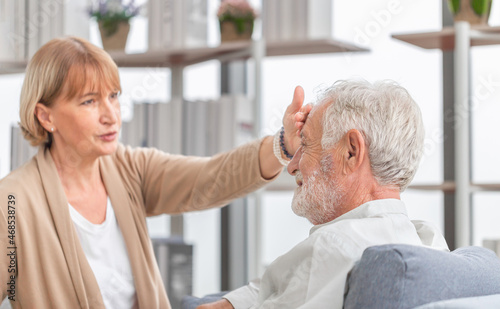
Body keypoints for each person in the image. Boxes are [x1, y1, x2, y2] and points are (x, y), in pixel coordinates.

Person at [0, 36, 309, 308]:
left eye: (114, 96)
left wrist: (282, 144)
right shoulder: (12, 203)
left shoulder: (128, 167)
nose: (111, 115)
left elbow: (209, 179)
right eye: (89, 101)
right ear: (45, 116)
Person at [198, 80, 449, 309]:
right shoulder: (429, 242)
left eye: (305, 145)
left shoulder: (332, 246)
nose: (292, 166)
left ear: (351, 151)